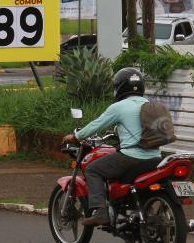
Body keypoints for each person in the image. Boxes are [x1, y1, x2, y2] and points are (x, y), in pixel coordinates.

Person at [62, 68, 161, 226]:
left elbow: (96, 125)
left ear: (119, 87)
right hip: (155, 158)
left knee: (93, 169)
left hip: (132, 158)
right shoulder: (151, 105)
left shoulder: (119, 107)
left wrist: (76, 137)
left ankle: (101, 213)